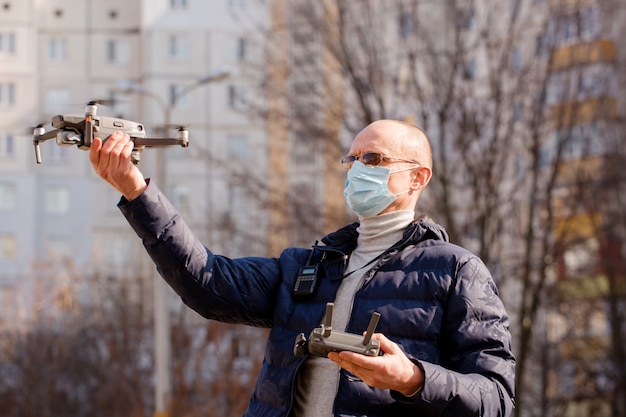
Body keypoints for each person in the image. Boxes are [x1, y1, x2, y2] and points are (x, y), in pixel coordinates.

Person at [89, 119, 516, 416]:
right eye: (352, 160)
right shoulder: (307, 266)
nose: (355, 171)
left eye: (373, 160)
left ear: (417, 178)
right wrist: (136, 191)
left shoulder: (457, 271)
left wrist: (412, 378)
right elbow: (208, 282)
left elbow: (495, 399)